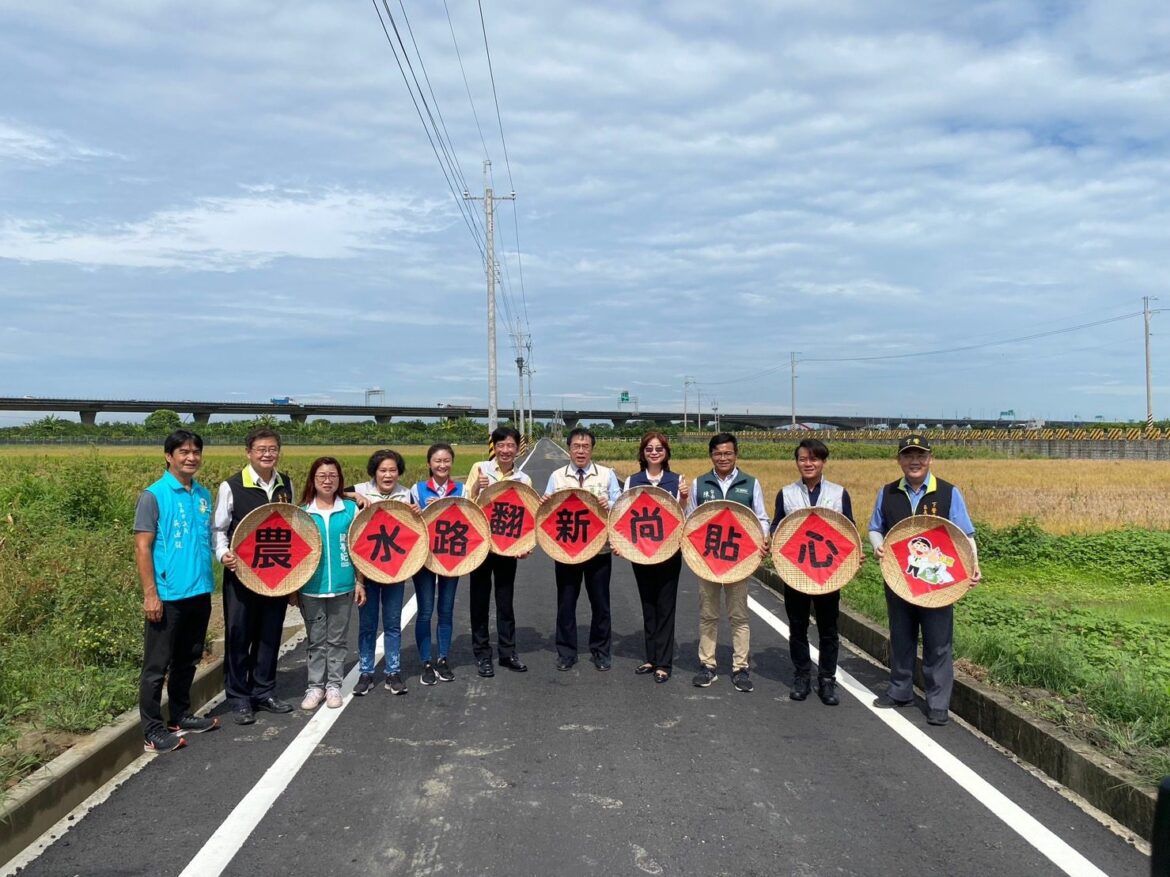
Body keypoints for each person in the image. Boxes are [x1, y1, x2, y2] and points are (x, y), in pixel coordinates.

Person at [868, 435, 982, 726]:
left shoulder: (947, 492)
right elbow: (874, 527)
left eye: (920, 455)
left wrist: (974, 564)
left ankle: (938, 703)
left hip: (939, 581)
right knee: (901, 635)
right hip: (900, 578)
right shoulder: (888, 492)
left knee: (938, 642)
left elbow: (965, 535)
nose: (914, 461)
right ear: (899, 460)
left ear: (930, 458)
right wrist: (877, 545)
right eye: (908, 456)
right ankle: (900, 690)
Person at [133, 429, 219, 752]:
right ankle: (152, 730)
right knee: (157, 666)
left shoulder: (202, 495)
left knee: (189, 658)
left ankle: (180, 715)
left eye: (196, 451)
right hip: (167, 596)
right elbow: (143, 548)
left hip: (199, 591)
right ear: (169, 456)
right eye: (183, 452)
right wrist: (150, 593)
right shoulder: (154, 495)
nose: (191, 457)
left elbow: (209, 540)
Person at [213, 427, 296, 725]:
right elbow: (219, 530)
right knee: (239, 633)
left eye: (272, 448)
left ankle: (264, 691)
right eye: (261, 449)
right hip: (242, 574)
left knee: (269, 632)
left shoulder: (286, 483)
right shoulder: (232, 486)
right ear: (248, 452)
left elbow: (293, 526)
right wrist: (224, 554)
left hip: (275, 572)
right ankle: (238, 697)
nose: (267, 454)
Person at [770, 438, 854, 707]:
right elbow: (777, 528)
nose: (808, 463)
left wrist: (854, 555)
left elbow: (848, 532)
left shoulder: (839, 493)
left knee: (829, 629)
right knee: (797, 626)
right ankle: (802, 675)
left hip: (828, 573)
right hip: (796, 570)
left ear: (823, 462)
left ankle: (827, 679)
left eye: (814, 459)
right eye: (803, 459)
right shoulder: (786, 493)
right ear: (797, 462)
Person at [686, 432, 770, 693]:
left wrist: (763, 539)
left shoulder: (750, 483)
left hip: (739, 561)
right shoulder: (700, 484)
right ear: (711, 455)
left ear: (736, 454)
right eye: (718, 453)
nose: (723, 457)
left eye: (728, 453)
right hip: (708, 561)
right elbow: (691, 520)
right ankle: (707, 665)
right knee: (708, 614)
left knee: (739, 615)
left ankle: (740, 668)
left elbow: (762, 518)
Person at [543, 427, 621, 671]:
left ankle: (600, 651)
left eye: (585, 446)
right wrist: (545, 502)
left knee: (601, 604)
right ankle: (566, 652)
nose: (580, 450)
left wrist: (609, 504)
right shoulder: (557, 476)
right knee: (566, 602)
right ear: (569, 448)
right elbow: (545, 512)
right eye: (576, 446)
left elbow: (620, 509)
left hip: (600, 550)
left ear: (592, 449)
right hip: (567, 550)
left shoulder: (607, 475)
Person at [619, 431, 688, 683]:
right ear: (642, 452)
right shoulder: (632, 481)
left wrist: (685, 497)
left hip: (669, 553)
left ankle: (664, 663)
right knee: (648, 604)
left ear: (666, 452)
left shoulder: (676, 480)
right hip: (641, 552)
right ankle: (650, 657)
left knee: (666, 606)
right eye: (649, 448)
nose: (654, 452)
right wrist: (621, 544)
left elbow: (684, 516)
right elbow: (622, 515)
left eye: (659, 448)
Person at [465, 426, 533, 678]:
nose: (506, 450)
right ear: (494, 447)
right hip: (481, 546)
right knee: (479, 602)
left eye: (511, 445)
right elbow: (465, 506)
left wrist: (527, 545)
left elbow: (528, 515)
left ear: (517, 448)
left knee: (506, 602)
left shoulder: (523, 480)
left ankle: (507, 652)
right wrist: (476, 490)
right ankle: (482, 655)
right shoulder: (479, 469)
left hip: (507, 547)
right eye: (501, 445)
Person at [298, 457, 365, 710]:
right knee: (315, 640)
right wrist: (294, 590)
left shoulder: (350, 509)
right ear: (313, 481)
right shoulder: (303, 512)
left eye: (332, 476)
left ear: (339, 480)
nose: (327, 480)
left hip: (343, 584)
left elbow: (359, 548)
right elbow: (296, 554)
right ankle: (314, 686)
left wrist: (360, 582)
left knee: (337, 639)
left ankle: (334, 685)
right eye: (322, 476)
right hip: (311, 587)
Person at [350, 449, 414, 696]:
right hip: (365, 568)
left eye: (393, 470)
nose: (388, 475)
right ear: (374, 472)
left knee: (392, 623)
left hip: (394, 569)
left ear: (399, 472)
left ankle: (393, 672)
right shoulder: (361, 490)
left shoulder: (405, 494)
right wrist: (354, 494)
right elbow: (330, 491)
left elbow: (412, 529)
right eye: (383, 470)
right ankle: (366, 672)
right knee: (367, 624)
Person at [410, 443, 464, 686]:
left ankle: (442, 658)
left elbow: (470, 521)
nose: (442, 465)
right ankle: (426, 661)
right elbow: (410, 522)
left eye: (446, 461)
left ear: (452, 463)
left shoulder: (461, 489)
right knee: (425, 611)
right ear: (429, 464)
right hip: (424, 558)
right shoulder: (417, 489)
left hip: (451, 558)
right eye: (437, 461)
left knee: (446, 610)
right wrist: (422, 511)